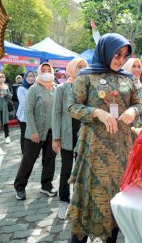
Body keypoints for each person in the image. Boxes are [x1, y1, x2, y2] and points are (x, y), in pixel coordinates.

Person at [67, 33, 142, 243]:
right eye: (117, 54)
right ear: (105, 51)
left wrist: (134, 112)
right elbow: (72, 106)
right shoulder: (86, 77)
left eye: (125, 55)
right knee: (89, 198)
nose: (120, 59)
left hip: (121, 150)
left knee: (116, 199)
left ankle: (111, 237)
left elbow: (140, 102)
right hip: (94, 150)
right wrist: (96, 113)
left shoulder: (126, 79)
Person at [14, 63, 58, 200]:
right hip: (35, 132)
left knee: (50, 159)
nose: (46, 72)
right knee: (28, 160)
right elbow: (28, 110)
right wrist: (33, 131)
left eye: (48, 70)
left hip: (52, 132)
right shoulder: (34, 89)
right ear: (39, 72)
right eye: (43, 70)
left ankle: (46, 186)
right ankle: (20, 187)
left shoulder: (56, 88)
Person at [52, 57, 89, 220]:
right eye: (78, 66)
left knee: (82, 169)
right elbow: (57, 113)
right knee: (66, 169)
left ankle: (79, 201)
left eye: (84, 66)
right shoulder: (62, 88)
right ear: (72, 68)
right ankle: (63, 201)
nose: (81, 69)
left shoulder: (88, 86)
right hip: (67, 135)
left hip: (85, 135)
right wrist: (56, 137)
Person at [123, 57, 142, 127]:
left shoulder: (141, 88)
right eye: (133, 66)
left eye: (139, 66)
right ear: (127, 67)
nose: (137, 69)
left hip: (135, 128)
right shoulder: (119, 85)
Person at [16, 71, 35, 154]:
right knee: (24, 134)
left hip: (34, 115)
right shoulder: (21, 88)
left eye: (32, 76)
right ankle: (24, 152)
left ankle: (32, 152)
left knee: (33, 133)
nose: (31, 78)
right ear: (25, 77)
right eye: (29, 76)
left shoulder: (36, 87)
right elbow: (24, 103)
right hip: (23, 116)